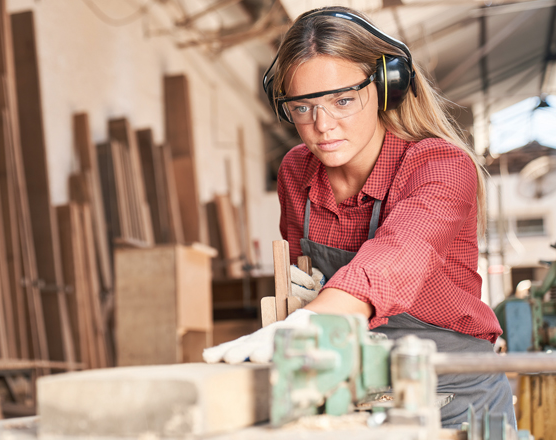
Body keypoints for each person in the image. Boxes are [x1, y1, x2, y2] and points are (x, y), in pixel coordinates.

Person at [203, 6, 515, 429]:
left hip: (455, 394)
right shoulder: (297, 173)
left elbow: (401, 253)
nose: (322, 126)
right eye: (302, 108)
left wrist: (310, 322)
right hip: (354, 390)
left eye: (343, 100)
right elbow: (302, 277)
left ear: (387, 86)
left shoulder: (441, 165)